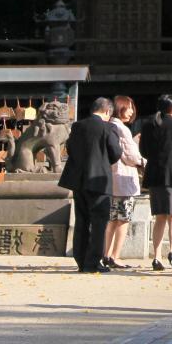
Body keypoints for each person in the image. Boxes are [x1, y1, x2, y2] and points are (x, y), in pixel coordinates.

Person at [58, 96, 123, 273]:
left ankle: (80, 259)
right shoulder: (109, 127)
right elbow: (115, 153)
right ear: (108, 111)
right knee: (99, 223)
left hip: (79, 180)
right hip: (99, 180)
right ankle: (93, 262)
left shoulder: (77, 126)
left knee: (82, 220)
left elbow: (70, 149)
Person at [139, 94, 172, 272]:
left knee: (160, 217)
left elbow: (144, 151)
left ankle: (156, 256)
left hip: (155, 173)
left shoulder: (148, 125)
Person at [101, 95, 146, 270]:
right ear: (120, 108)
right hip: (124, 178)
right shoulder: (122, 129)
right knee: (123, 219)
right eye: (128, 108)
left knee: (111, 219)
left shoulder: (109, 125)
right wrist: (144, 162)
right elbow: (130, 156)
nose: (131, 111)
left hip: (111, 179)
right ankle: (115, 255)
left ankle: (106, 253)